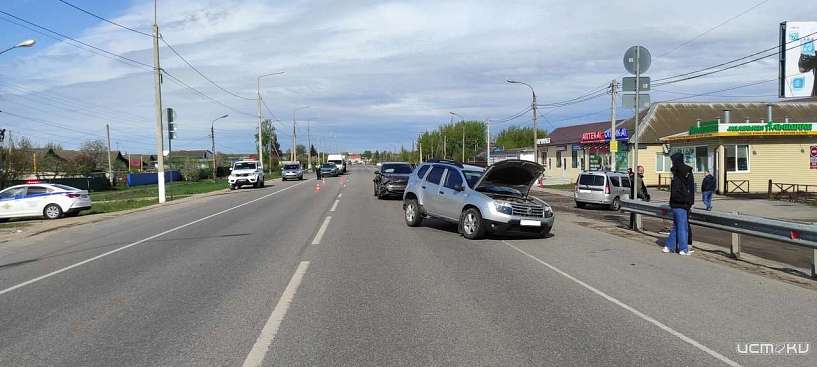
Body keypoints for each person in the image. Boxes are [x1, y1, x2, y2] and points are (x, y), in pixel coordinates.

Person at [663, 152, 694, 255]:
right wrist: (690, 202)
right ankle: (683, 249)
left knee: (676, 226)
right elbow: (691, 189)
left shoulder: (674, 171)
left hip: (674, 203)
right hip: (683, 203)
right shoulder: (687, 171)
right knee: (682, 227)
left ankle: (669, 246)